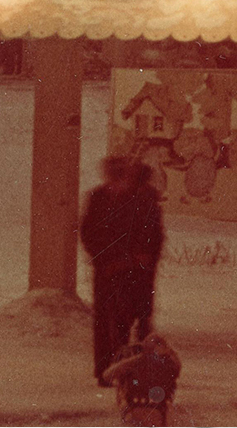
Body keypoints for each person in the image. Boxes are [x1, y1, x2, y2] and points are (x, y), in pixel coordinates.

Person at [80, 156, 165, 387]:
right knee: (109, 320)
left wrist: (138, 260)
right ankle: (108, 369)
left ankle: (131, 368)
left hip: (132, 270)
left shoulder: (137, 199)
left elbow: (151, 236)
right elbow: (90, 234)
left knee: (129, 320)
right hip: (110, 269)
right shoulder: (100, 198)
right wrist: (108, 260)